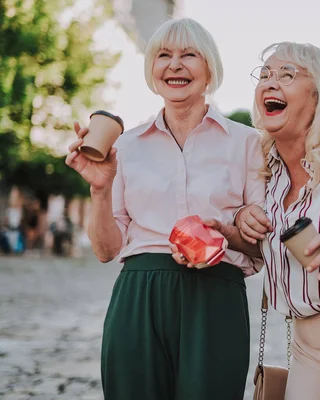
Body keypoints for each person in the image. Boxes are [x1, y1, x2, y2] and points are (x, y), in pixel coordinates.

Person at [65, 18, 264, 400]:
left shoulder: (248, 143)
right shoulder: (126, 145)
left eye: (189, 54)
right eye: (163, 55)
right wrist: (100, 189)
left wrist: (223, 232)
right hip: (139, 293)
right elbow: (106, 251)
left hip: (215, 295)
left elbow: (261, 247)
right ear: (152, 71)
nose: (174, 64)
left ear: (210, 70)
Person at [178, 42, 320, 400]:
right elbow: (268, 253)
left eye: (286, 74)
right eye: (264, 76)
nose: (269, 82)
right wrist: (232, 231)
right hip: (309, 345)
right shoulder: (267, 172)